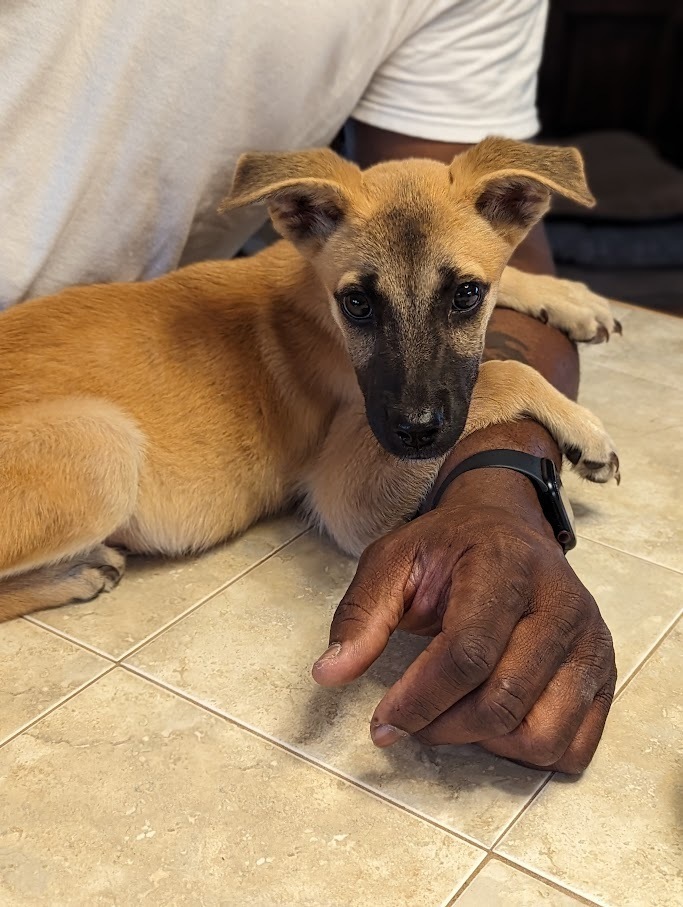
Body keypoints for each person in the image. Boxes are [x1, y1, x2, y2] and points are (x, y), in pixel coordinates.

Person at [0, 0, 616, 772]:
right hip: (39, 436)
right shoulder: (296, 305)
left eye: (463, 297)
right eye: (361, 305)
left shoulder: (386, 249)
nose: (417, 395)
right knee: (91, 456)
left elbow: (441, 249)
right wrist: (515, 385)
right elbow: (355, 508)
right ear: (298, 221)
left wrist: (525, 291)